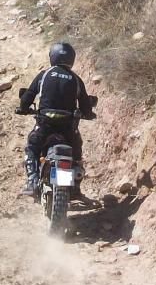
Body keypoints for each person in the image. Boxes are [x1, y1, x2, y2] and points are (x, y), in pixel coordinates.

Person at [16, 41, 96, 199]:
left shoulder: (44, 74)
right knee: (76, 153)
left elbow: (28, 96)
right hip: (68, 127)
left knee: (32, 147)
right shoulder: (76, 79)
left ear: (52, 57)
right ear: (72, 59)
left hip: (45, 124)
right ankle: (75, 187)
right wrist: (88, 113)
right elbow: (86, 105)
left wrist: (23, 108)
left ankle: (32, 180)